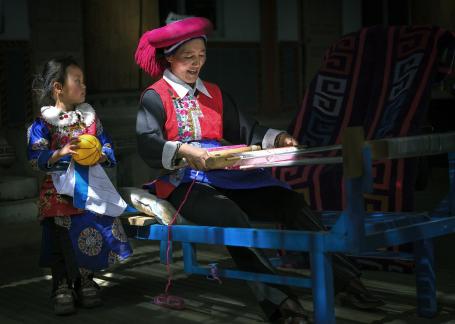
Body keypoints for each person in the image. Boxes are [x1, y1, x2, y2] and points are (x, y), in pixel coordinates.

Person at [135, 17, 383, 322]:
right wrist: (185, 150)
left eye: (201, 56)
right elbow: (148, 145)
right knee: (231, 218)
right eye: (188, 57)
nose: (196, 63)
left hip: (226, 174)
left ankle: (346, 282)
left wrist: (277, 138)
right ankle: (281, 304)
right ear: (169, 58)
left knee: (289, 202)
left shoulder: (213, 92)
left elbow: (246, 130)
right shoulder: (155, 96)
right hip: (185, 183)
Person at [27, 57, 132, 315]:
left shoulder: (91, 119)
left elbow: (107, 146)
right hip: (58, 193)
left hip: (91, 188)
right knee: (61, 236)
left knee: (92, 227)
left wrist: (101, 154)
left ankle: (85, 279)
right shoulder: (42, 124)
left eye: (83, 81)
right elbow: (34, 159)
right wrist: (59, 153)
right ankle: (61, 285)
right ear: (57, 87)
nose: (83, 86)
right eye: (77, 81)